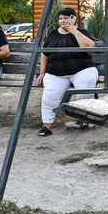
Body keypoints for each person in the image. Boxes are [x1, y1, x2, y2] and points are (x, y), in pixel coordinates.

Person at [34, 7, 98, 136]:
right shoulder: (53, 34)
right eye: (61, 18)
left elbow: (90, 49)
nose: (63, 21)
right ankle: (47, 126)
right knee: (49, 96)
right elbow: (44, 54)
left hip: (81, 70)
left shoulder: (82, 31)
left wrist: (75, 32)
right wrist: (42, 72)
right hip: (56, 73)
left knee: (86, 85)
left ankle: (82, 117)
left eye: (66, 18)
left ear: (73, 19)